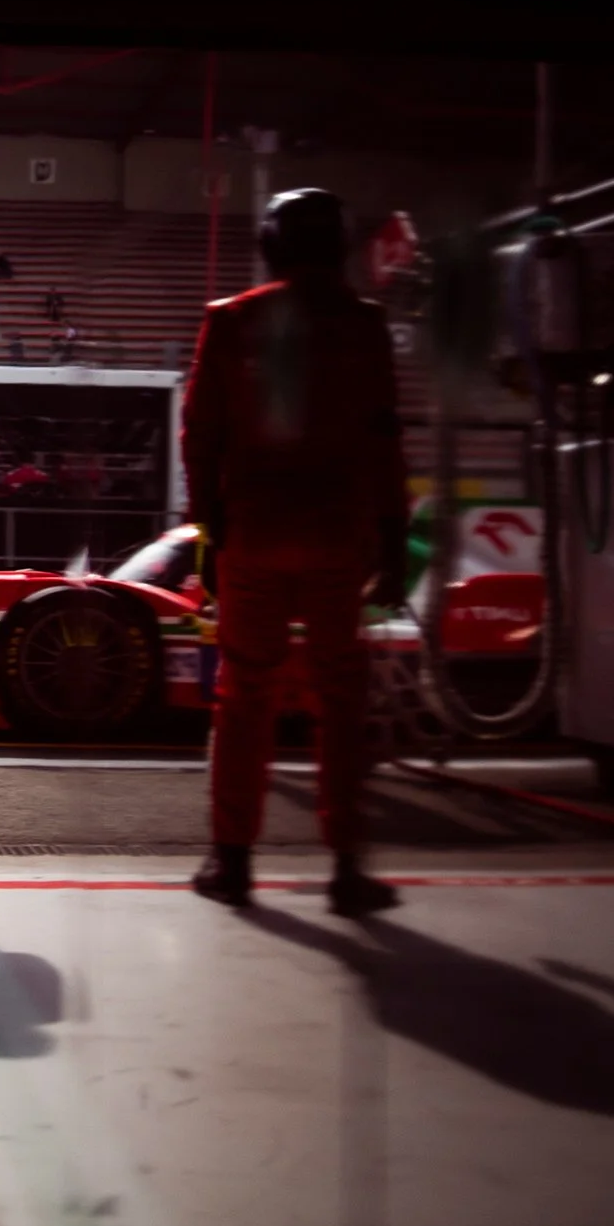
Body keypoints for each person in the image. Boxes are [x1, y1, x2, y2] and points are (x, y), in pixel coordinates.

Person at [181, 188, 407, 917]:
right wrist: (393, 540)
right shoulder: (364, 324)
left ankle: (232, 861)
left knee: (244, 695)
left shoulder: (230, 320)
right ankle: (346, 866)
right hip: (338, 537)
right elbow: (384, 441)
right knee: (341, 696)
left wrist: (209, 532)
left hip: (254, 533)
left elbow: (200, 437)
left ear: (271, 245)